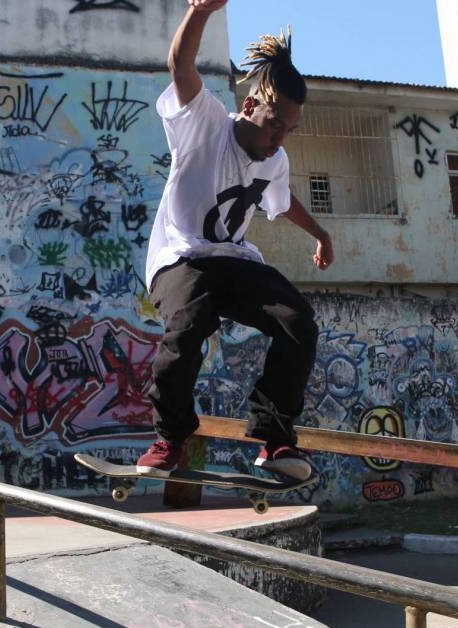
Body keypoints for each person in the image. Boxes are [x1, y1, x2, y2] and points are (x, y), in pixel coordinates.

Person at [136, 0, 334, 481]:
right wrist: (201, 11)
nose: (280, 140)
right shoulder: (202, 123)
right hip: (180, 259)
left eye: (289, 130)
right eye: (274, 126)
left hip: (236, 261)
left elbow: (283, 202)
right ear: (249, 107)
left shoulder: (275, 160)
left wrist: (321, 233)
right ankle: (170, 437)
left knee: (297, 323)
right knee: (190, 325)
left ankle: (275, 437)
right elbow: (180, 65)